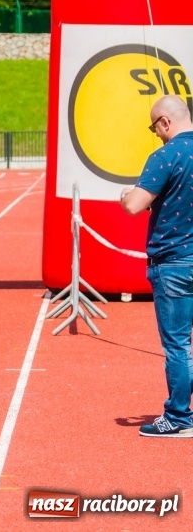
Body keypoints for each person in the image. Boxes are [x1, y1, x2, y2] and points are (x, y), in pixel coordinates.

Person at [120, 94, 193, 438]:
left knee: (178, 345)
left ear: (165, 121)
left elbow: (134, 205)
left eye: (155, 126)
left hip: (174, 262)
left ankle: (179, 417)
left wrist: (126, 194)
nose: (155, 133)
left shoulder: (165, 156)